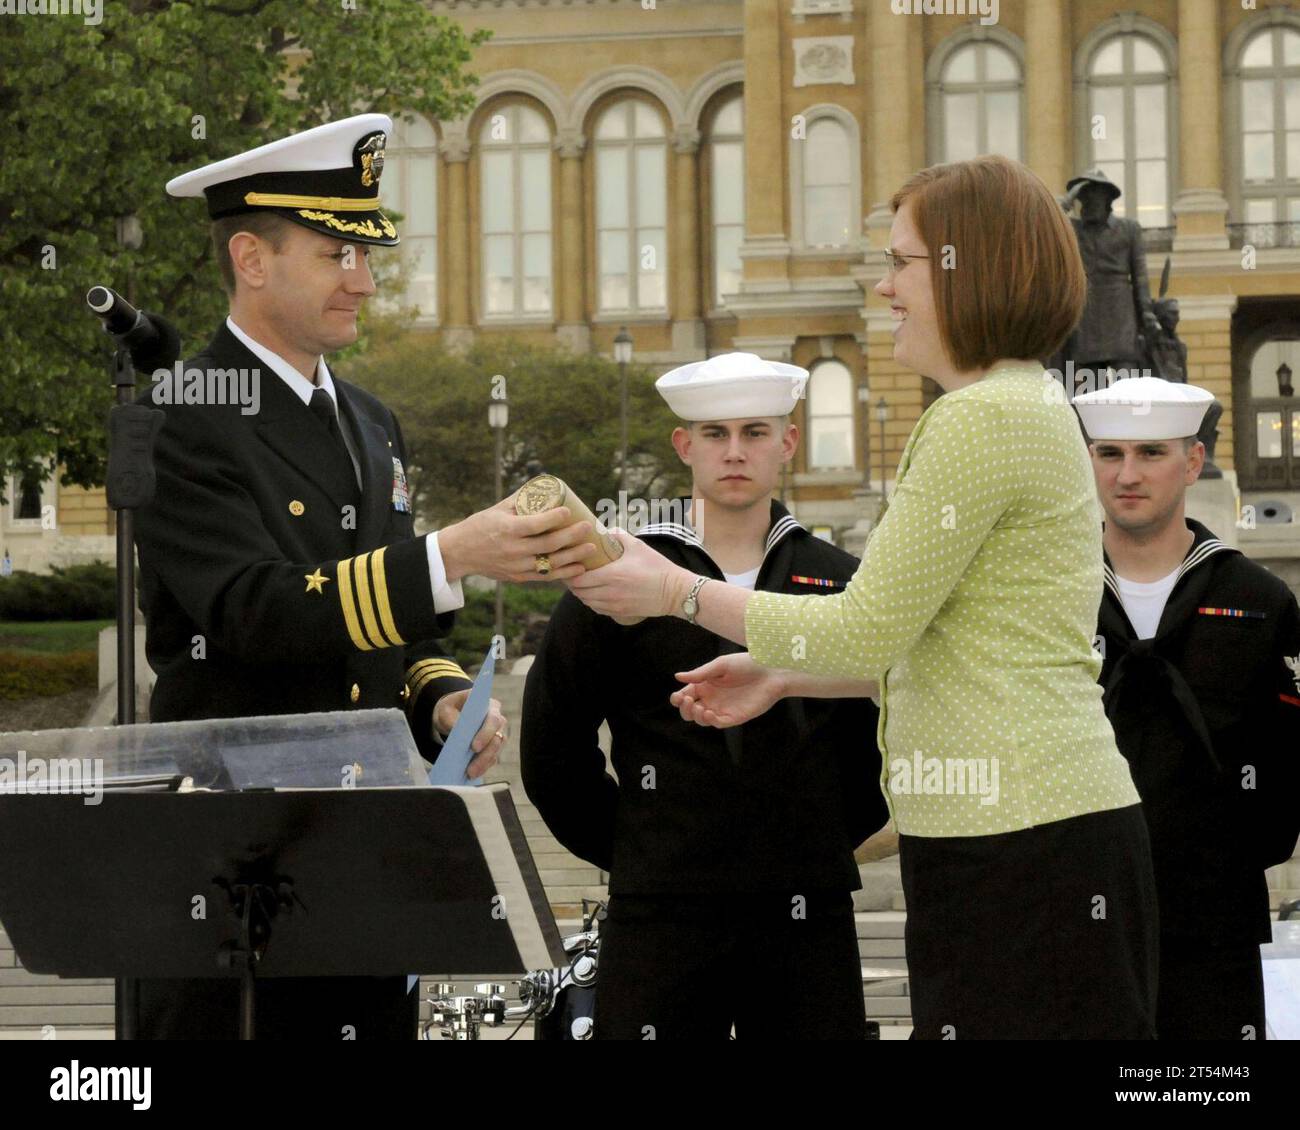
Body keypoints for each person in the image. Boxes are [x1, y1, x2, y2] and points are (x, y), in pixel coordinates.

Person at [567, 155, 1160, 1039]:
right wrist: (789, 679)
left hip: (1019, 844)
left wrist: (673, 591)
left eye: (900, 263)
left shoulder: (977, 419)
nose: (884, 288)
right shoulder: (1021, 403)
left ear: (972, 270)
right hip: (1040, 833)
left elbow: (866, 626)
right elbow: (959, 644)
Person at [133, 114, 595, 1039]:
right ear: (253, 259)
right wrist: (452, 556)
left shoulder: (371, 419)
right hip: (236, 852)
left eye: (368, 254)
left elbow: (393, 620)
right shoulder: (182, 410)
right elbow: (251, 612)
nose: (365, 281)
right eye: (338, 252)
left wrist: (441, 694)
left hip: (365, 844)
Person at [521, 353, 887, 1040]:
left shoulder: (842, 582)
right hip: (660, 913)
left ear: (788, 443)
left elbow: (879, 738)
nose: (736, 452)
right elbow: (552, 748)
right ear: (685, 447)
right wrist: (640, 847)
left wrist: (820, 837)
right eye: (715, 434)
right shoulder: (621, 579)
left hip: (807, 907)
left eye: (755, 432)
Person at [1074, 376, 1300, 1040]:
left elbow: (1286, 759)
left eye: (1152, 452)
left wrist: (1229, 855)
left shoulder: (1259, 600)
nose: (1127, 474)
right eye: (1109, 454)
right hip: (1080, 916)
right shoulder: (1051, 594)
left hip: (1214, 921)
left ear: (1193, 461)